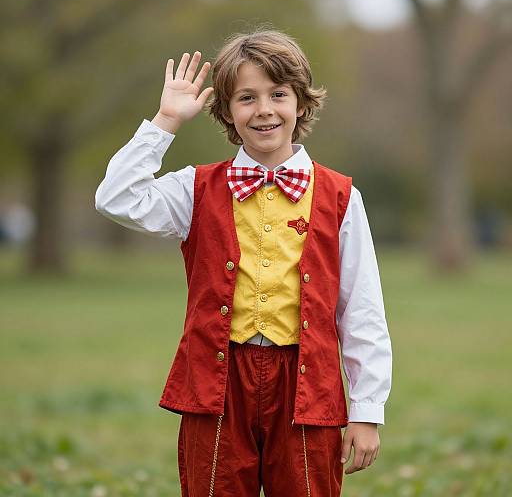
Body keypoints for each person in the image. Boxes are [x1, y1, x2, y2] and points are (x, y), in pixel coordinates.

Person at [95, 27, 392, 496]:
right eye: (247, 98)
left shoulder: (340, 196)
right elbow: (116, 198)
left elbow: (362, 308)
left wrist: (367, 409)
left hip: (306, 384)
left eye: (278, 94)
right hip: (215, 382)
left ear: (300, 103)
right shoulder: (195, 189)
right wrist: (165, 121)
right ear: (227, 112)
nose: (265, 110)